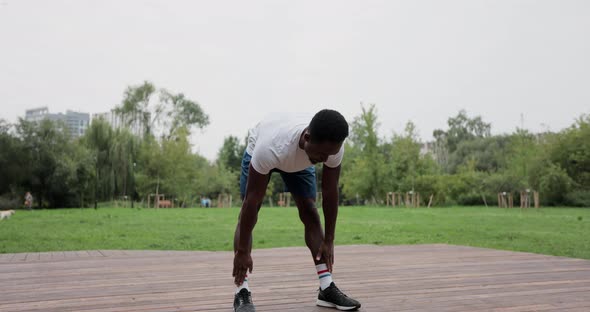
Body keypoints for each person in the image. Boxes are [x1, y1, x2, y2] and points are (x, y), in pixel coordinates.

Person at [233, 109, 361, 311]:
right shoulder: (270, 148)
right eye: (322, 154)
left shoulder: (331, 148)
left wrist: (329, 240)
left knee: (310, 210)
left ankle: (326, 288)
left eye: (331, 154)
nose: (326, 159)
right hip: (266, 147)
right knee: (250, 211)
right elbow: (251, 201)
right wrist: (242, 252)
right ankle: (241, 291)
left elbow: (329, 193)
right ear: (307, 138)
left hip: (298, 158)